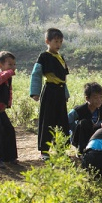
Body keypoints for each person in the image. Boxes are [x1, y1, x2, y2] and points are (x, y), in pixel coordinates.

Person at [30, 28, 70, 160]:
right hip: (49, 92)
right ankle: (44, 151)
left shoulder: (60, 57)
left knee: (62, 121)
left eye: (60, 42)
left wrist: (65, 93)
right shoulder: (44, 57)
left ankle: (61, 149)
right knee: (47, 120)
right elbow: (36, 74)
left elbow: (63, 79)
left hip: (59, 93)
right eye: (55, 41)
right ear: (47, 41)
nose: (58, 44)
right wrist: (35, 92)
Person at [68, 82, 102, 155]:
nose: (99, 100)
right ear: (87, 98)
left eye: (100, 97)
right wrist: (75, 129)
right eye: (95, 97)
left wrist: (99, 124)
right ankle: (81, 151)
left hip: (98, 134)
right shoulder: (79, 110)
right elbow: (67, 122)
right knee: (84, 123)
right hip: (83, 136)